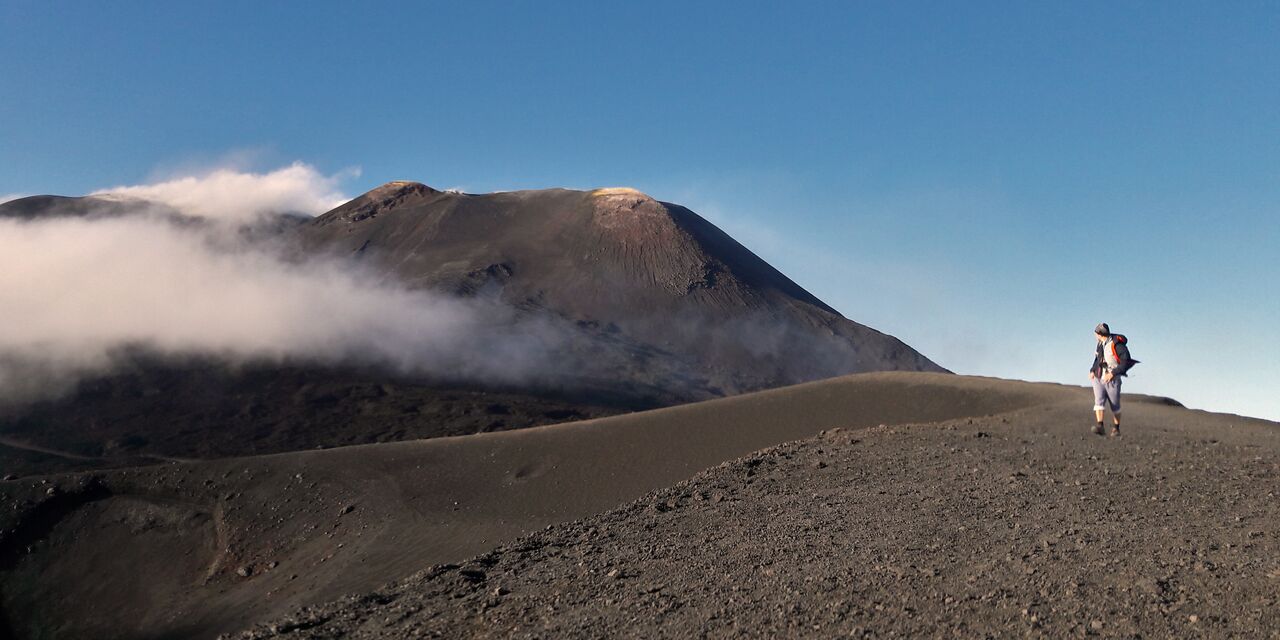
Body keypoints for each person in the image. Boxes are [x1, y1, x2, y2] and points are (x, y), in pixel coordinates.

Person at [1088, 323, 1129, 436]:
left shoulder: (1117, 345)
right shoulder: (1099, 344)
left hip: (1113, 379)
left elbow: (1126, 362)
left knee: (1115, 404)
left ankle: (1116, 428)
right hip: (1099, 376)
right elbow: (1097, 359)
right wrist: (1092, 370)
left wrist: (1113, 373)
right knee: (1099, 401)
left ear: (1100, 334)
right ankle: (1100, 426)